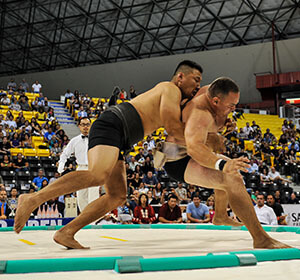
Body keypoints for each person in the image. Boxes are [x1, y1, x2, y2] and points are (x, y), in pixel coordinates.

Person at [14, 60, 202, 249]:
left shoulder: (176, 101)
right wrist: (204, 140)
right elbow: (172, 127)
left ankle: (67, 232)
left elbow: (173, 132)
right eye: (196, 80)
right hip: (114, 124)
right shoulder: (171, 89)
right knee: (98, 174)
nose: (198, 86)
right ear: (180, 77)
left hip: (123, 137)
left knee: (117, 195)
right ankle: (32, 199)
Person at [157, 78, 289, 248]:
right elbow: (194, 149)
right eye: (231, 106)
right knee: (231, 177)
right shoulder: (200, 114)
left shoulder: (210, 93)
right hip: (177, 160)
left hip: (188, 148)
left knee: (229, 169)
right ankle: (261, 238)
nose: (233, 109)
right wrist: (222, 165)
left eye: (235, 104)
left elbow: (209, 131)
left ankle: (219, 215)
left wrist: (223, 126)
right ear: (216, 101)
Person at [57, 117, 99, 212]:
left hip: (94, 168)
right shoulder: (74, 141)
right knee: (81, 197)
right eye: (83, 124)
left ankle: (93, 221)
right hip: (80, 168)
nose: (85, 127)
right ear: (79, 126)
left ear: (90, 126)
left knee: (93, 196)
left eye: (87, 125)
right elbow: (65, 154)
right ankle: (85, 219)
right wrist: (61, 166)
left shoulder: (97, 139)